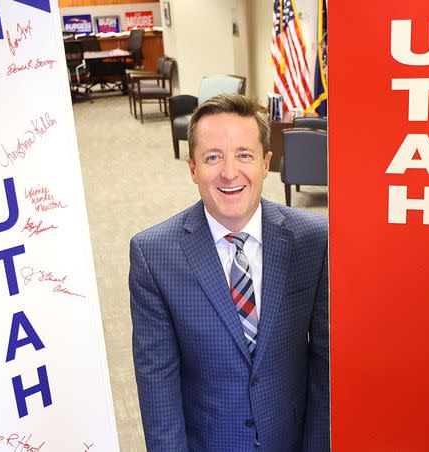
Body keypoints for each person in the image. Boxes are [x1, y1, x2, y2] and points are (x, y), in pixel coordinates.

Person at [129, 93, 329, 451]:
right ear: (193, 168)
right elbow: (158, 385)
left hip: (291, 438)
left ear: (267, 163)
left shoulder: (314, 240)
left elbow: (325, 364)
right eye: (213, 157)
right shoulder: (153, 255)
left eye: (244, 155)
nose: (230, 172)